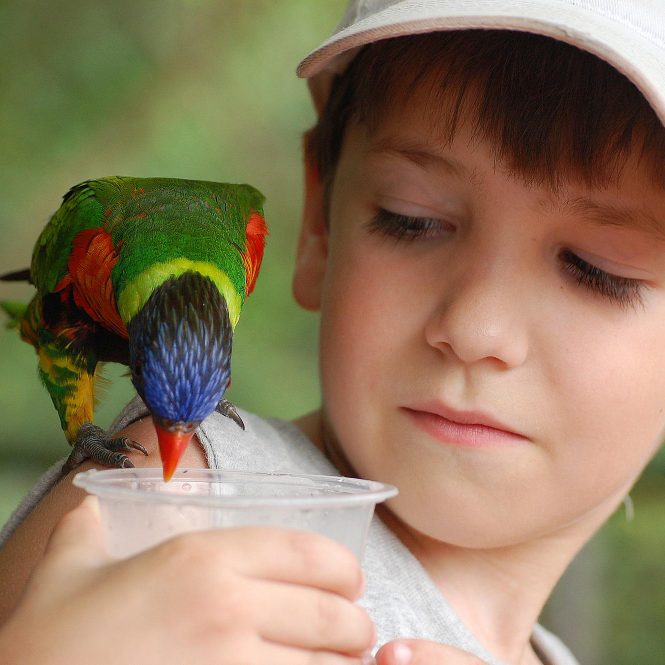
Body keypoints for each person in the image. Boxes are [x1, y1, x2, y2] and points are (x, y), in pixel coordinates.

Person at [1, 1, 664, 663]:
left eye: (594, 269)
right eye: (412, 219)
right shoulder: (175, 504)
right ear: (318, 222)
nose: (473, 327)